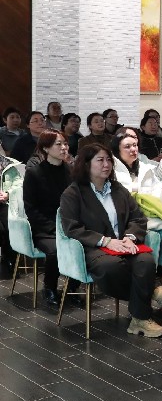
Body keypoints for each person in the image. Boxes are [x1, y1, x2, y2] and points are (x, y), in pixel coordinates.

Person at [59, 144, 162, 337]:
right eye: (100, 160)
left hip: (123, 243)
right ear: (86, 164)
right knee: (111, 266)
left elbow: (138, 218)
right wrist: (105, 241)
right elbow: (72, 228)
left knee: (146, 260)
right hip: (94, 248)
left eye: (109, 160)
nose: (106, 164)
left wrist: (130, 238)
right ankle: (147, 300)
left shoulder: (118, 189)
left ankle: (139, 319)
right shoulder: (73, 193)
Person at [22, 130, 73, 307]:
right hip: (45, 228)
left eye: (65, 143)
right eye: (58, 144)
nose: (64, 147)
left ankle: (72, 287)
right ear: (45, 148)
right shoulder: (34, 173)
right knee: (55, 250)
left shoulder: (71, 171)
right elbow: (31, 209)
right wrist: (53, 228)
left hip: (69, 224)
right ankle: (50, 287)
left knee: (85, 244)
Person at [110, 130, 161, 195]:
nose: (133, 149)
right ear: (117, 150)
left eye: (135, 145)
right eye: (127, 146)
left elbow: (157, 189)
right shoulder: (111, 170)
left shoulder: (145, 167)